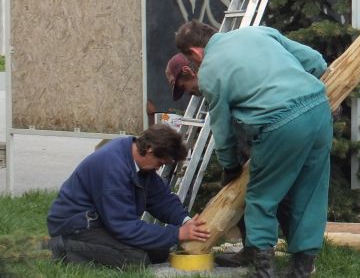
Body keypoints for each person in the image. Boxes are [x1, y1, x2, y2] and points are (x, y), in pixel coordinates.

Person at [175, 21, 331, 278]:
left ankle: (264, 271)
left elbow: (222, 130)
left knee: (261, 198)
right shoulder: (258, 32)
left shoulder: (210, 71)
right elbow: (315, 62)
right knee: (310, 191)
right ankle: (302, 268)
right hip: (319, 110)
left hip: (279, 124)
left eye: (192, 60)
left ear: (195, 52)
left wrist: (230, 166)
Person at [164, 52, 293, 268]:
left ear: (188, 71)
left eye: (183, 86)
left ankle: (298, 255)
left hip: (268, 133)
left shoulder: (220, 78)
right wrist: (233, 164)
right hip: (246, 139)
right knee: (241, 192)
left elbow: (223, 126)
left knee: (277, 195)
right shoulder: (213, 84)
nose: (188, 92)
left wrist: (231, 164)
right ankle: (252, 250)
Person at [46, 124, 209, 267]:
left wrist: (185, 221)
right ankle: (59, 248)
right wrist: (177, 233)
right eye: (160, 163)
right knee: (135, 260)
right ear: (150, 149)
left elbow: (161, 199)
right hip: (77, 225)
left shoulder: (136, 157)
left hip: (103, 221)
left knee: (159, 251)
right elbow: (125, 227)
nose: (158, 168)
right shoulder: (113, 167)